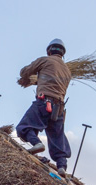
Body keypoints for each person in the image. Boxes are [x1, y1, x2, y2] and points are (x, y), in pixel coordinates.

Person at [16, 38, 72, 177]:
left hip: (44, 102)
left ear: (49, 50)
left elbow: (25, 72)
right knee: (57, 137)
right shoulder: (67, 71)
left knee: (24, 126)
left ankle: (37, 143)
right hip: (58, 108)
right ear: (63, 54)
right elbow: (53, 82)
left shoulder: (45, 60)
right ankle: (62, 166)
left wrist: (27, 77)